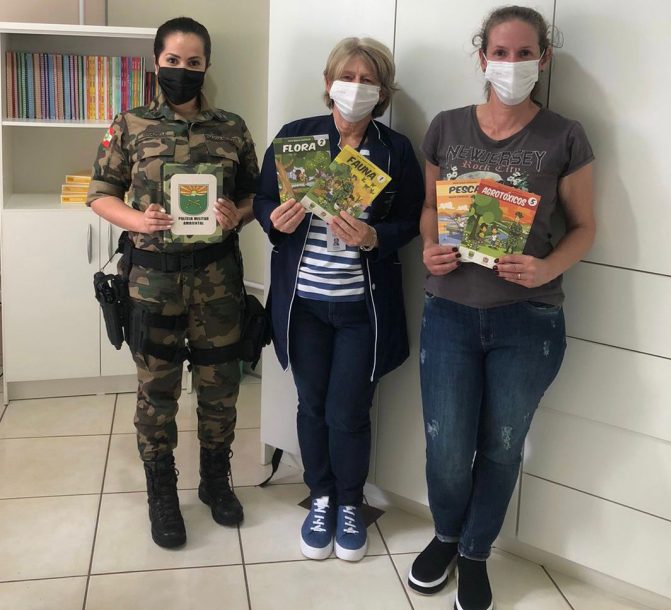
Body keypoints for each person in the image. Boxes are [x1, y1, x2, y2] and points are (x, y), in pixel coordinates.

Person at [409, 6, 595, 610]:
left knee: (502, 445)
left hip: (528, 319)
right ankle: (445, 534)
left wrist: (546, 268)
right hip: (449, 312)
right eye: (500, 52)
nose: (511, 64)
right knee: (445, 446)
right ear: (481, 56)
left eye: (524, 53)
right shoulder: (446, 126)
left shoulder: (566, 135)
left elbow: (585, 227)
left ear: (543, 58)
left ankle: (475, 551)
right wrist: (430, 246)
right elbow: (430, 208)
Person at [87, 17, 259, 548]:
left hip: (217, 280)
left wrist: (236, 214)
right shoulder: (130, 124)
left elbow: (256, 196)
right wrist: (138, 221)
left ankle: (214, 480)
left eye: (194, 62)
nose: (183, 70)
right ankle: (162, 491)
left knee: (220, 386)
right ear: (157, 62)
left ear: (206, 65)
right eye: (173, 60)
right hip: (152, 282)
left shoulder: (231, 127)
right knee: (156, 390)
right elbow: (100, 194)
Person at [254, 37, 424, 562]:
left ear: (383, 92)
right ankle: (321, 497)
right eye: (346, 77)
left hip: (360, 309)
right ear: (328, 84)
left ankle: (350, 501)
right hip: (303, 304)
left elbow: (412, 219)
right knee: (311, 404)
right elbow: (262, 198)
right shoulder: (297, 137)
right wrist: (274, 221)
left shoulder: (394, 150)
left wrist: (375, 236)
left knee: (348, 411)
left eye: (367, 79)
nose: (355, 87)